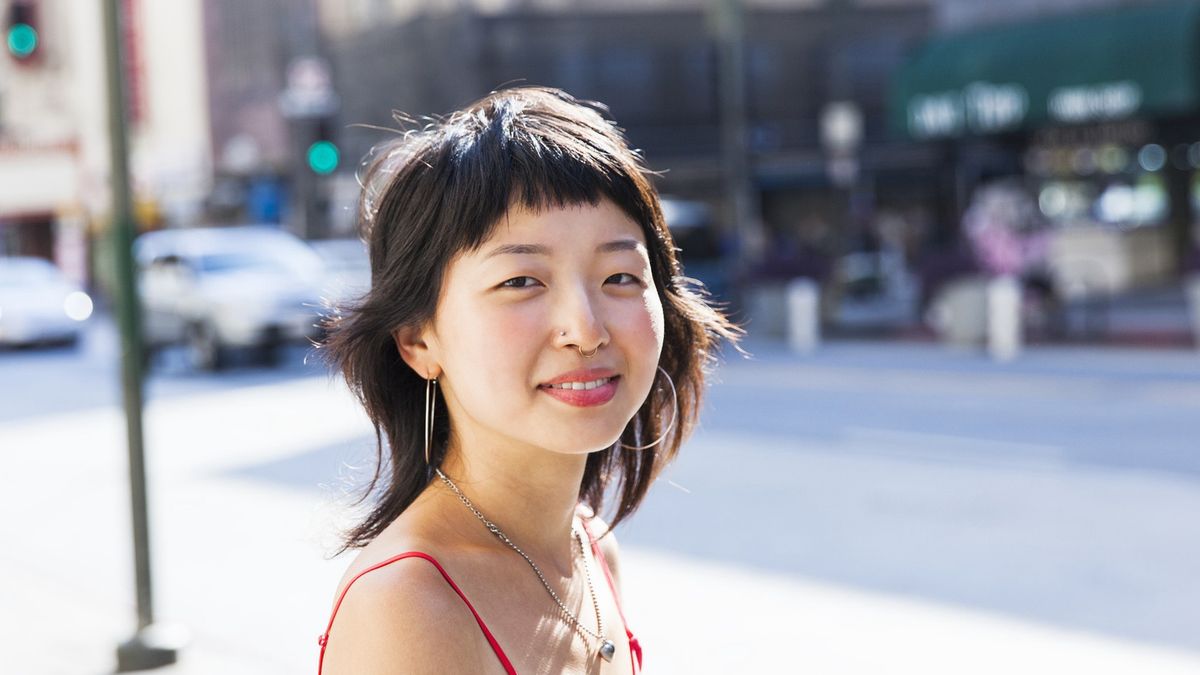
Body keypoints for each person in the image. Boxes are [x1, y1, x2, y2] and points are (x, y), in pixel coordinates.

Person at [316, 86, 740, 674]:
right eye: (521, 282)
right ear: (418, 340)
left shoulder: (590, 548)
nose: (584, 330)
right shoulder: (409, 605)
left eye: (619, 275)